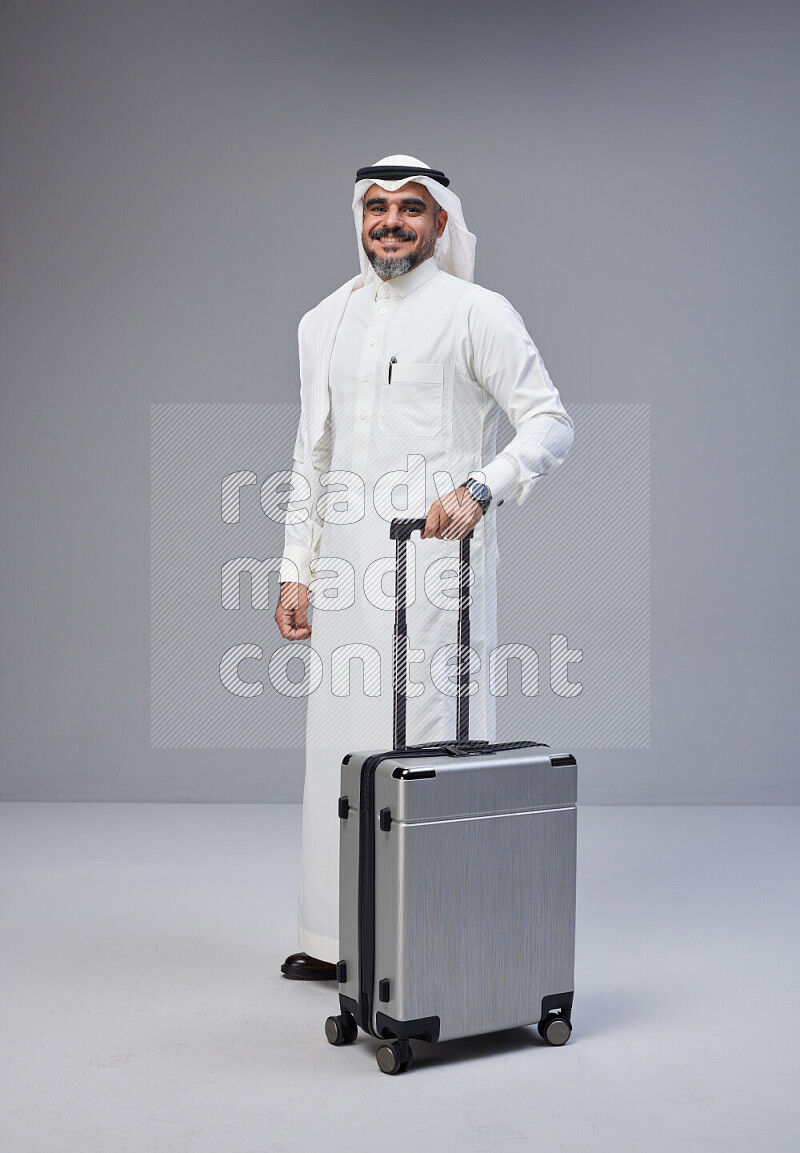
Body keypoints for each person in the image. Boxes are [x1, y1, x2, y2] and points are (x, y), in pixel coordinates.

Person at [274, 155, 573, 980]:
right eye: (377, 207)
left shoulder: (476, 312)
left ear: (441, 222)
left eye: (411, 208)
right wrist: (295, 567)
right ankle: (340, 942)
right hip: (345, 573)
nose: (392, 222)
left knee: (430, 743)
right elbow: (314, 454)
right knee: (339, 747)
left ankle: (426, 946)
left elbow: (550, 424)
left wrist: (484, 487)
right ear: (359, 219)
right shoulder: (322, 319)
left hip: (439, 566)